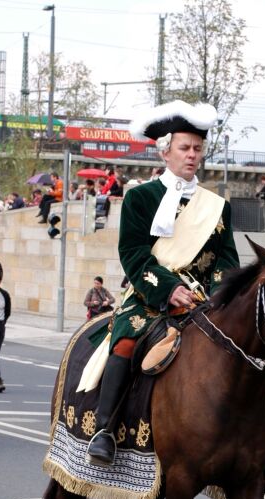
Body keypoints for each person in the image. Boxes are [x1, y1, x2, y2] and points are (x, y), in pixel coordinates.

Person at [86, 99, 240, 466]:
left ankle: (261, 447)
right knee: (125, 340)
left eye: (197, 149)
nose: (192, 156)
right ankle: (104, 429)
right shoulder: (141, 197)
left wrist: (216, 293)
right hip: (149, 292)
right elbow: (134, 254)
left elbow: (227, 260)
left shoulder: (218, 206)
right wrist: (169, 289)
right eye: (184, 148)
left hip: (202, 297)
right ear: (165, 152)